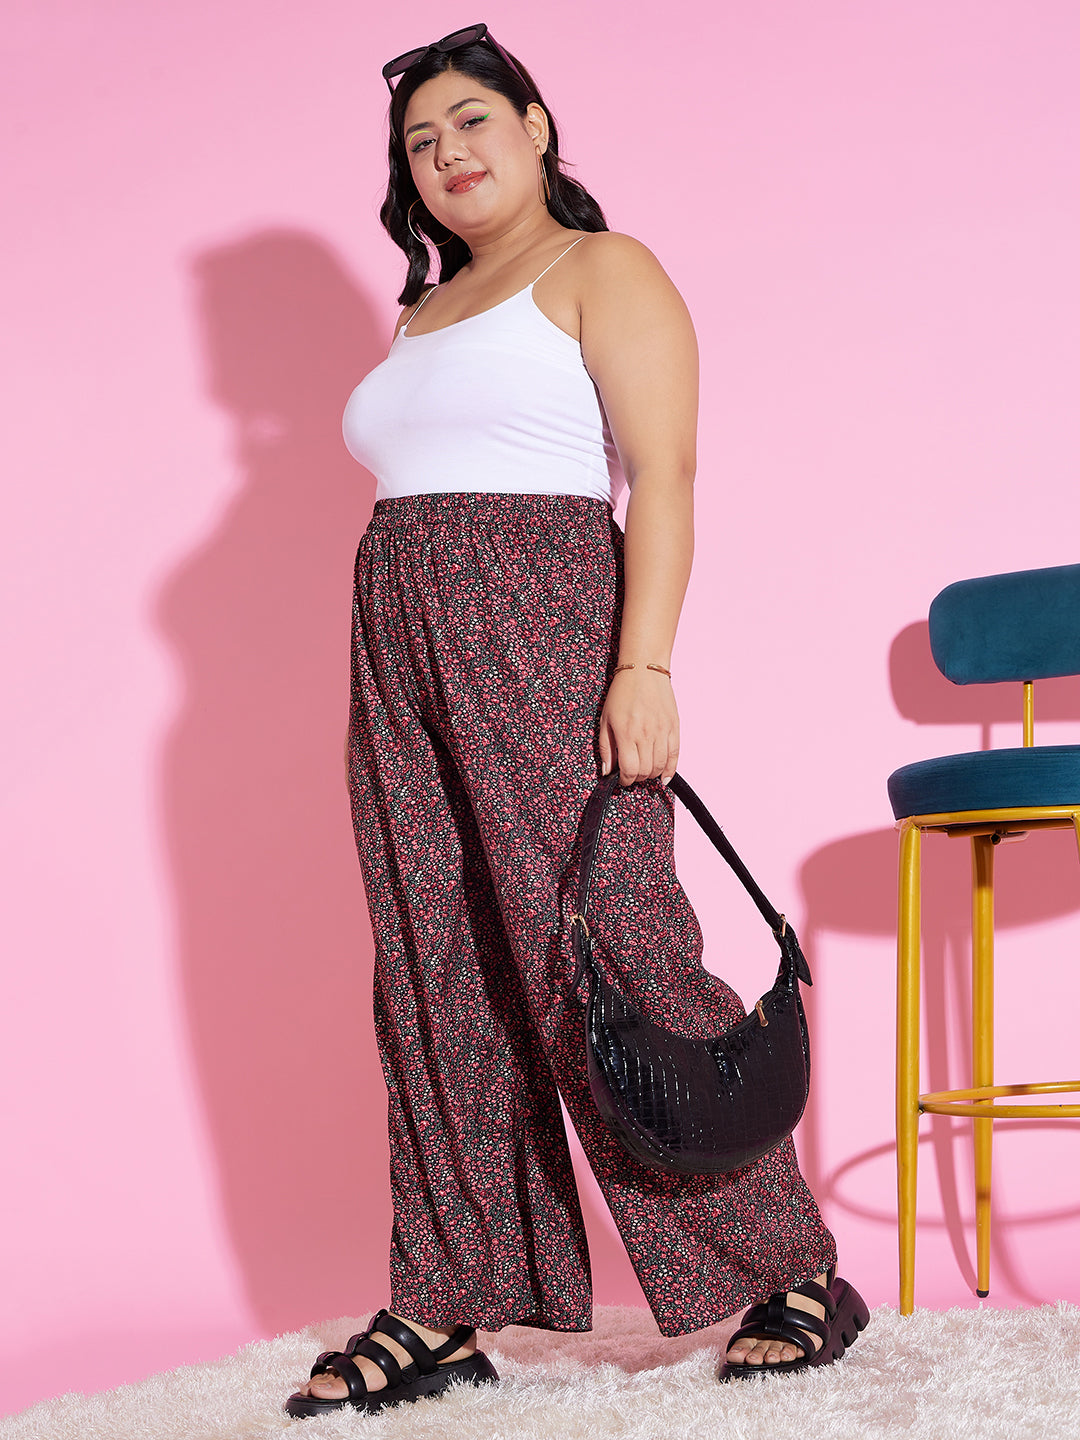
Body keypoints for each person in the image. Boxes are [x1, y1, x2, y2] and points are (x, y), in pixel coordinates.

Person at [284, 24, 867, 1419]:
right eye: (422, 141)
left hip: (544, 624)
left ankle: (789, 1268)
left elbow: (663, 476)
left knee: (608, 942)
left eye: (472, 121)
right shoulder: (426, 313)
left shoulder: (605, 269)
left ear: (537, 126)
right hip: (397, 647)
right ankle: (448, 1296)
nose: (448, 154)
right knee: (437, 969)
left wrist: (643, 666)